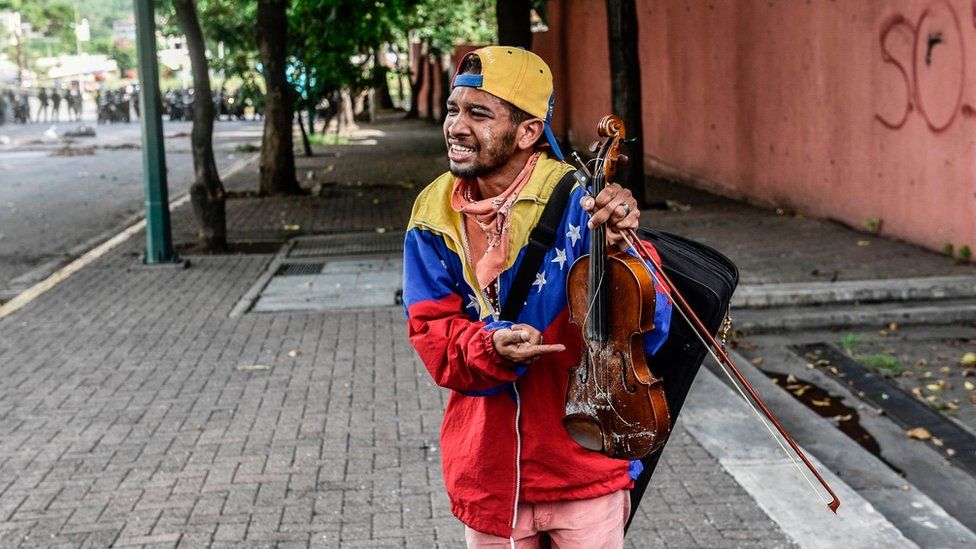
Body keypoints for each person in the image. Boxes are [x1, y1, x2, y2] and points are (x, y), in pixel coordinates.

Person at [402, 46, 672, 548]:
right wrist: (488, 347)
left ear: (528, 131)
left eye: (479, 113)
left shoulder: (583, 199)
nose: (457, 126)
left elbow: (650, 332)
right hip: (490, 469)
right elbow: (431, 333)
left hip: (584, 462)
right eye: (453, 110)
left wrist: (625, 253)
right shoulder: (431, 214)